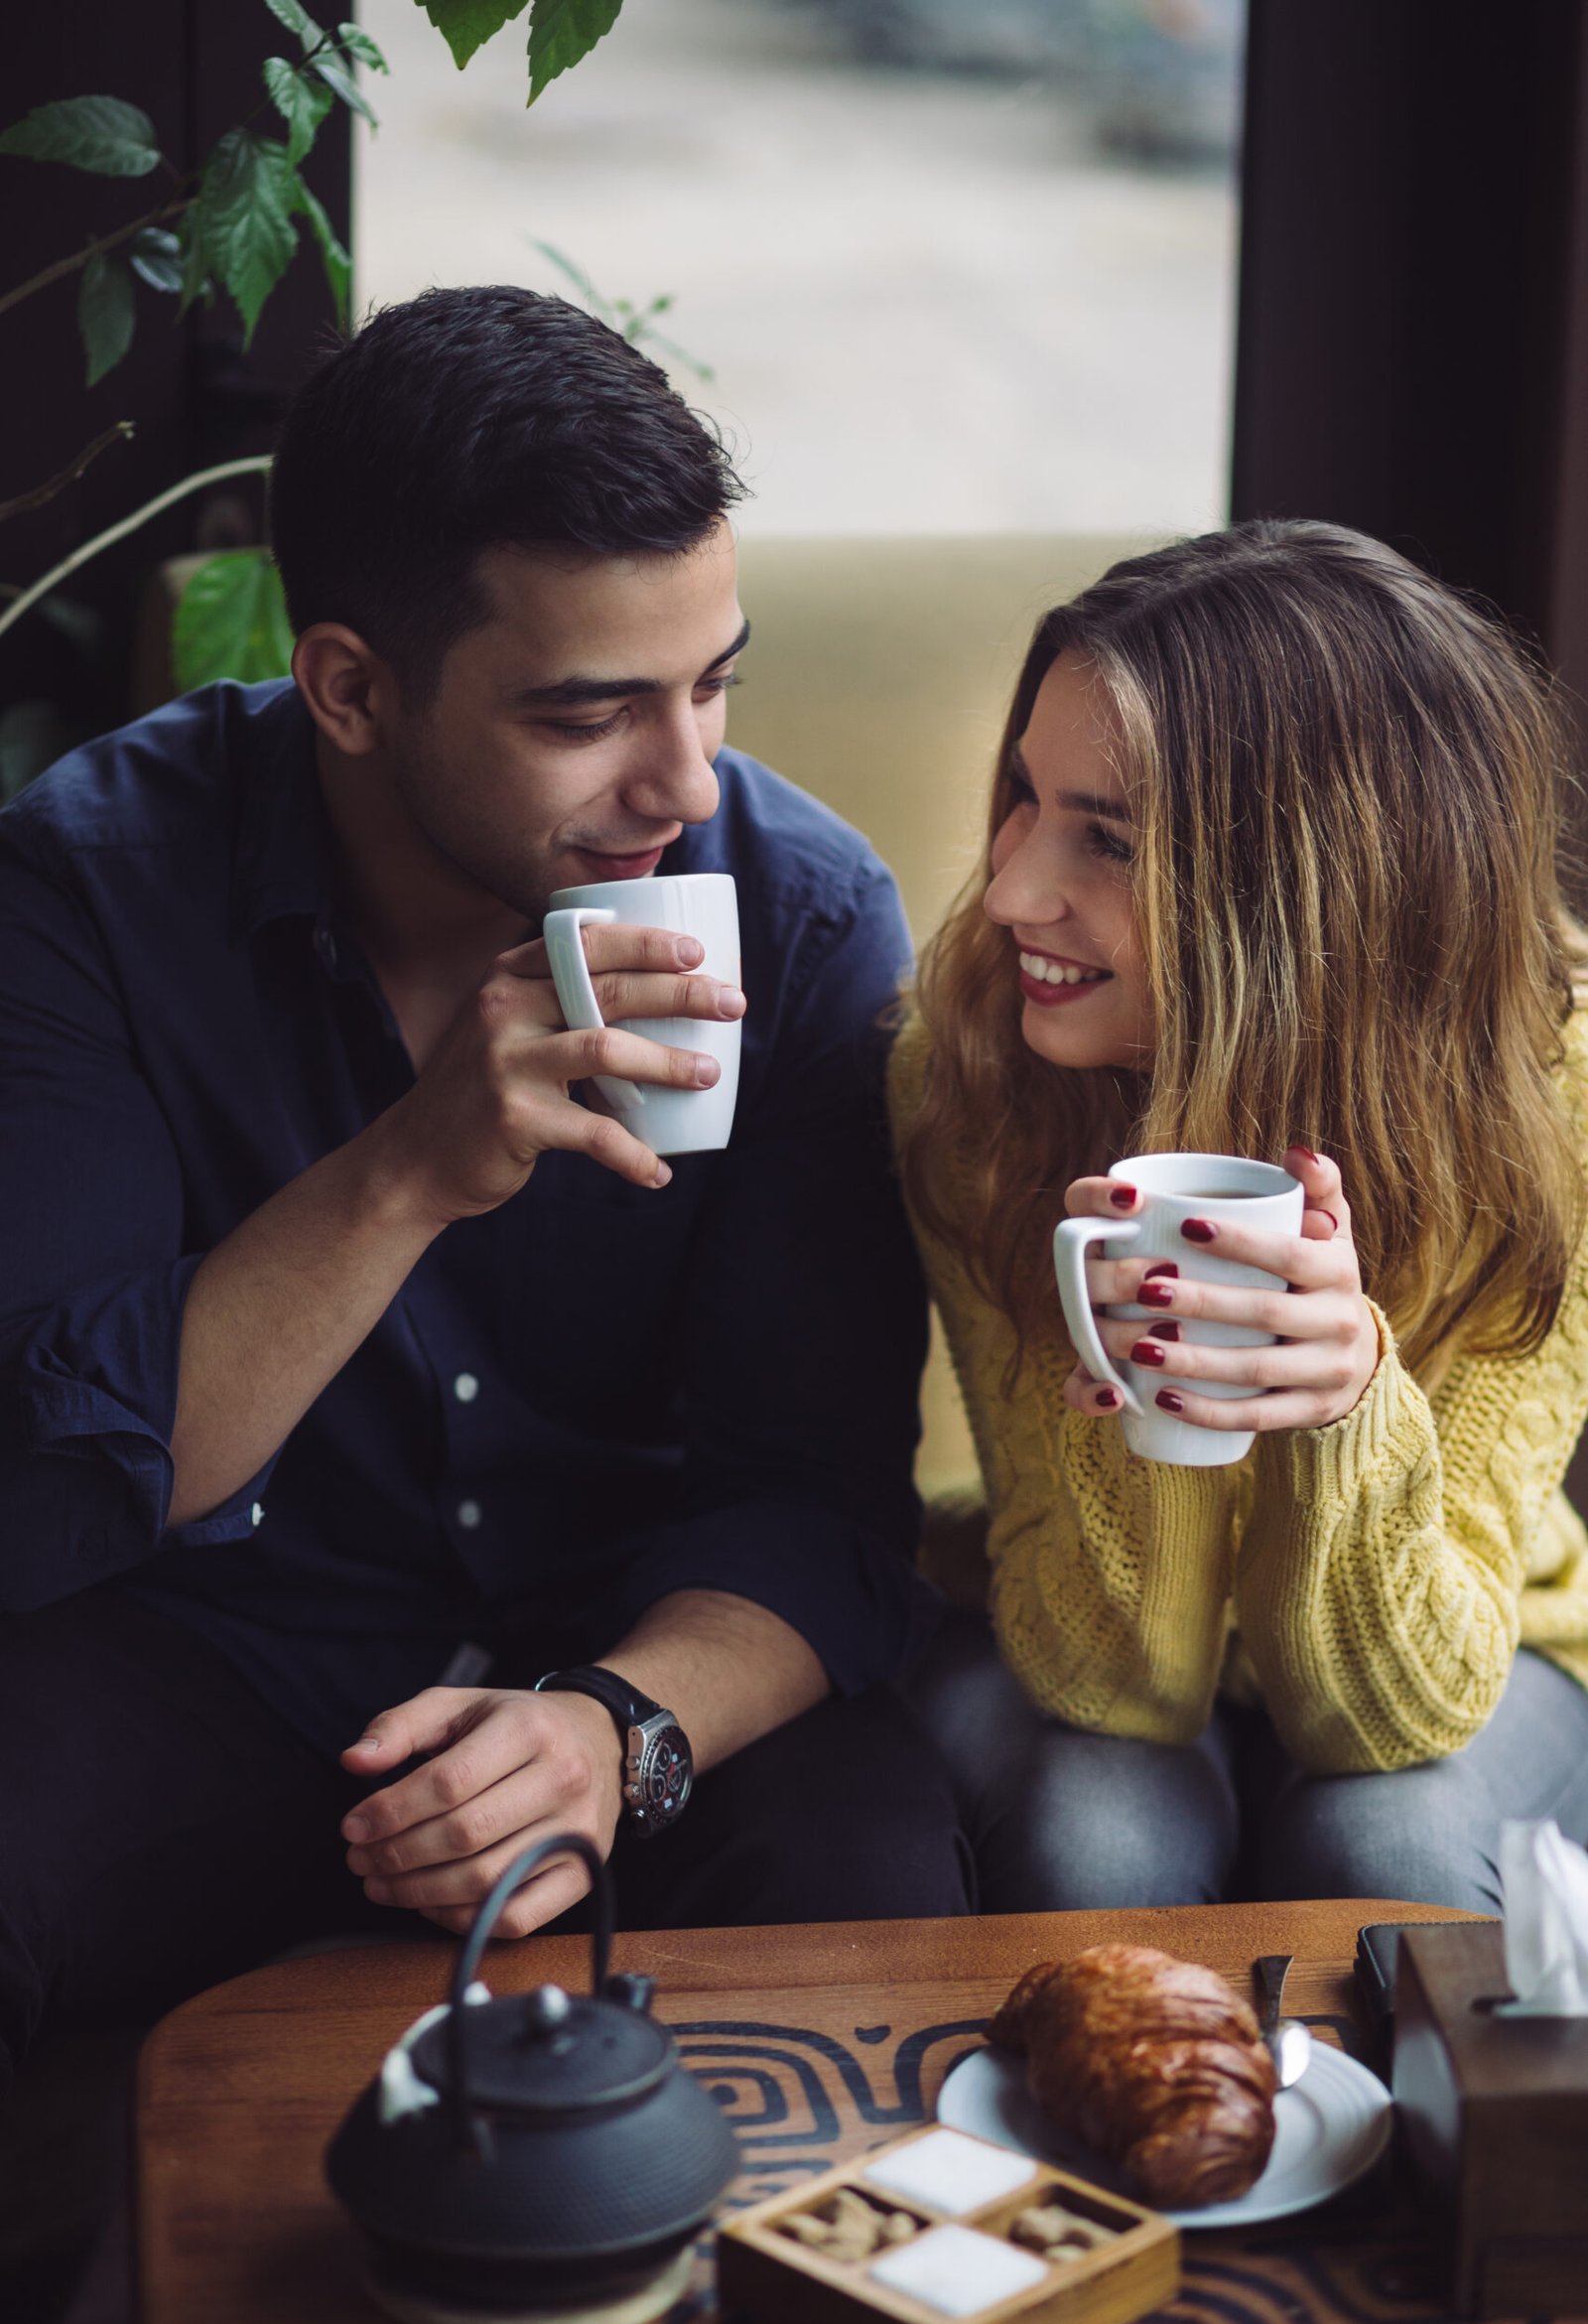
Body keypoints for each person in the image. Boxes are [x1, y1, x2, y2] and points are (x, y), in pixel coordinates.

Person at [0, 284, 971, 2102]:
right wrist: (408, 1173)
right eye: (589, 713)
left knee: (867, 1871)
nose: (681, 783)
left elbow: (822, 1502)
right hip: (225, 1658)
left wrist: (617, 1735)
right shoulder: (92, 887)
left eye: (711, 683)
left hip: (633, 1655)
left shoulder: (805, 912)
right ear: (352, 689)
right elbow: (63, 1487)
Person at [891, 519, 1588, 1915]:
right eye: (1026, 800)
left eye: (1109, 840)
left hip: (1470, 1641)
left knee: (1377, 1854)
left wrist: (1347, 1411)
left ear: (1306, 886)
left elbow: (1391, 1719)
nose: (1015, 889)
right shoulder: (970, 1065)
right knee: (1104, 1840)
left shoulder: (1554, 1098)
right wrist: (1144, 1382)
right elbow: (1114, 1681)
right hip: (1080, 1629)